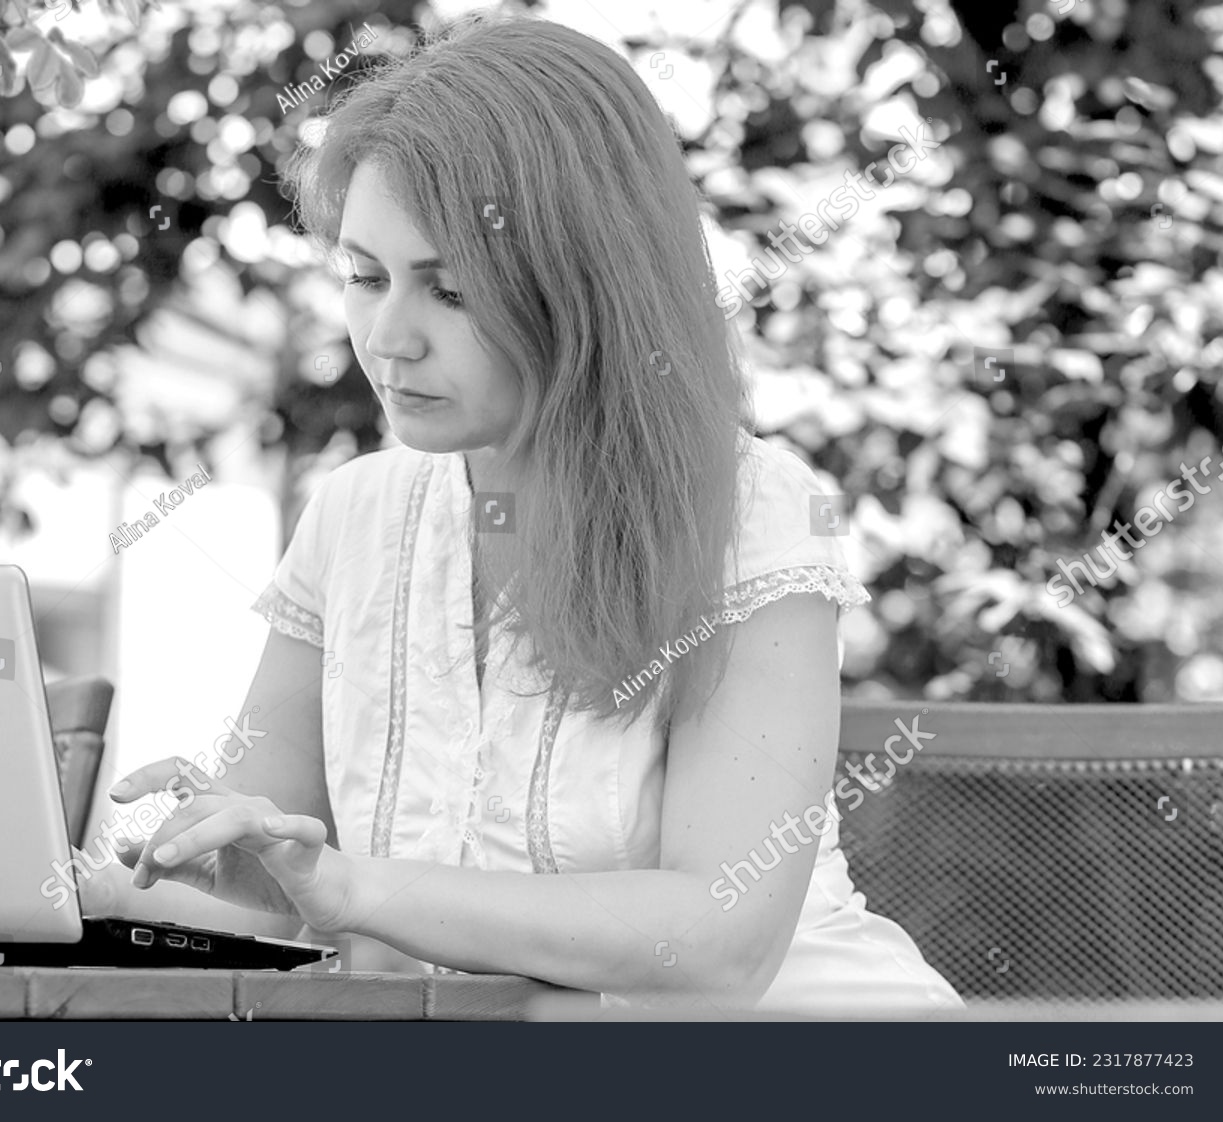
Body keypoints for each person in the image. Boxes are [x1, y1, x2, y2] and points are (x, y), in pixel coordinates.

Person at [110, 12, 961, 1014]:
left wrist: (357, 888)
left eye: (452, 292)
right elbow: (278, 890)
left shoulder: (755, 511)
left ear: (586, 287)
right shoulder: (352, 518)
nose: (387, 339)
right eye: (363, 277)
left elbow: (720, 942)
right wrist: (212, 852)